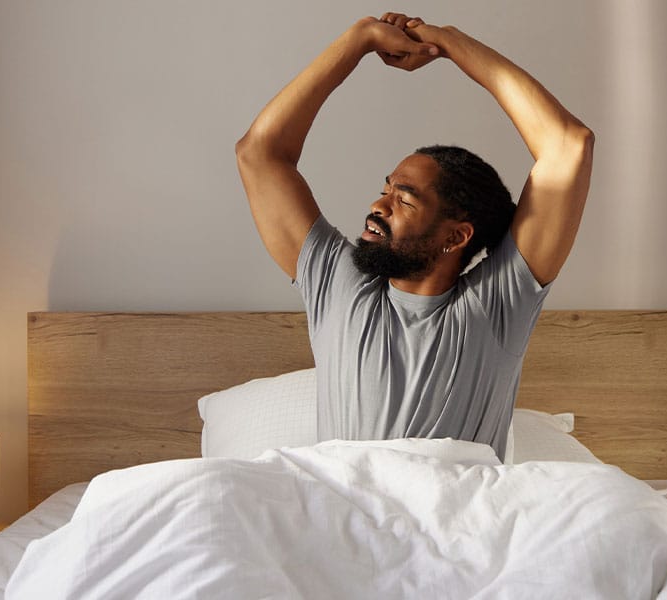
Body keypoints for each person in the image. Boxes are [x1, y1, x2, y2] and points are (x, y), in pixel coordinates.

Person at [235, 13, 594, 460]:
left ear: (455, 236)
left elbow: (568, 145)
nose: (376, 206)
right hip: (345, 518)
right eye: (384, 189)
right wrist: (358, 40)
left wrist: (449, 42)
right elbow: (258, 153)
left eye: (403, 200)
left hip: (453, 522)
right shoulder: (337, 283)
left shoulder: (498, 304)